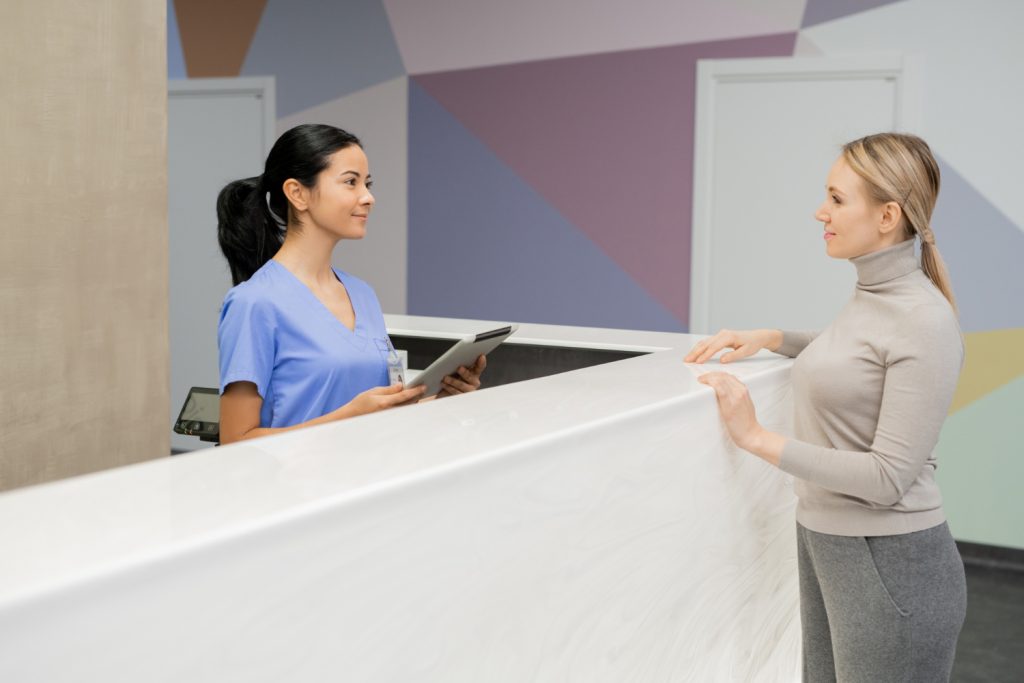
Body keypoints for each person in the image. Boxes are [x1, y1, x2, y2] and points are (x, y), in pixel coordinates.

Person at [685, 133, 966, 681]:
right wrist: (772, 337)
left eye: (837, 199)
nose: (821, 212)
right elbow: (855, 353)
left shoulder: (924, 319)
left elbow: (887, 478)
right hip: (831, 546)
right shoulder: (874, 295)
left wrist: (756, 437)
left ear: (887, 216)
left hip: (893, 567)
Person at [216, 124, 486, 444]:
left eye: (367, 183)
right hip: (299, 492)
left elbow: (380, 410)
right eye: (350, 182)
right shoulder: (254, 303)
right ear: (298, 193)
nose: (368, 197)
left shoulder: (362, 295)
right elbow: (235, 441)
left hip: (368, 481)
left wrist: (441, 398)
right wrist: (349, 417)